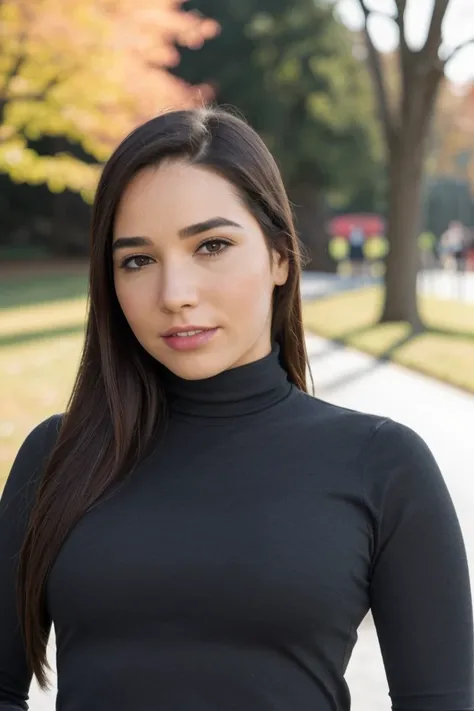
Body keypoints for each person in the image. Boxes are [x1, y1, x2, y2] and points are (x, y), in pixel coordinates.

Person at [1, 107, 473, 711]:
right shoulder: (57, 457)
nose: (175, 296)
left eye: (212, 245)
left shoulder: (382, 464)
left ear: (280, 257)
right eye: (137, 260)